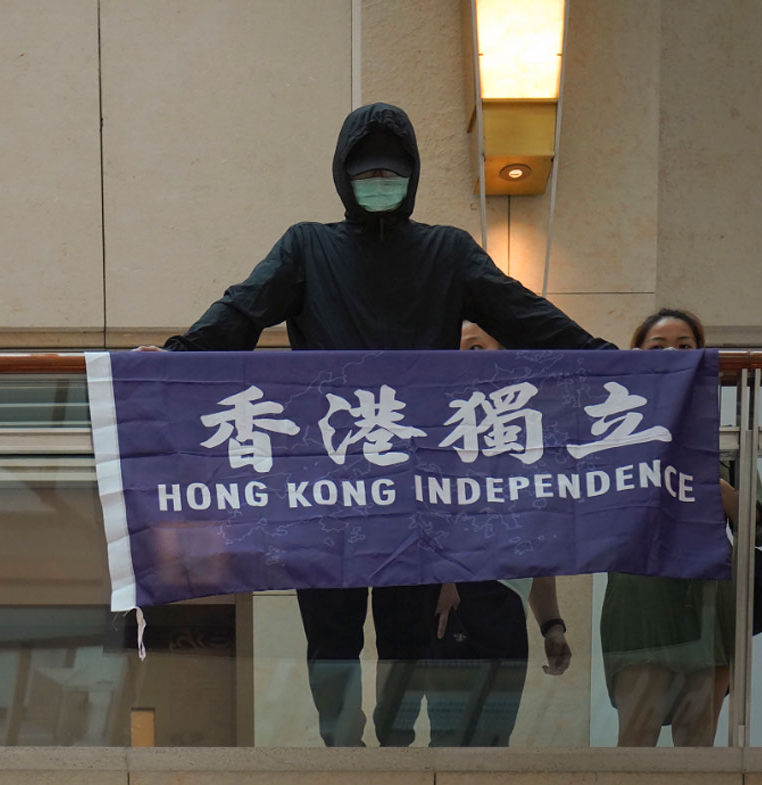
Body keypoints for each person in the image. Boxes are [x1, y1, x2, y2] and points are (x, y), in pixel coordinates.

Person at [146, 103, 612, 746]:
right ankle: (343, 752)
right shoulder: (308, 247)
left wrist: (609, 362)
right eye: (367, 173)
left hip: (408, 490)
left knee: (407, 638)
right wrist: (176, 359)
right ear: (344, 176)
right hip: (328, 486)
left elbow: (523, 314)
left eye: (392, 173)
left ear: (412, 175)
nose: (380, 183)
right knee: (331, 636)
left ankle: (395, 754)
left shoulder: (446, 251)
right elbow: (242, 311)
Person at [417, 321, 572, 747]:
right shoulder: (432, 428)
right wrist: (445, 578)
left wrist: (552, 625)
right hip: (453, 596)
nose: (465, 357)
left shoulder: (525, 440)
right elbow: (422, 517)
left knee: (495, 741)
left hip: (506, 603)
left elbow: (535, 542)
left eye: (476, 347)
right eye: (455, 348)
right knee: (451, 740)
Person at [600, 308, 735, 747]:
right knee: (637, 736)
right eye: (658, 347)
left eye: (684, 346)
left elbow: (755, 525)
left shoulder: (723, 434)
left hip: (706, 599)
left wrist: (719, 492)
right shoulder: (612, 429)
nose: (672, 354)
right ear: (637, 355)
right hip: (642, 599)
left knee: (697, 744)